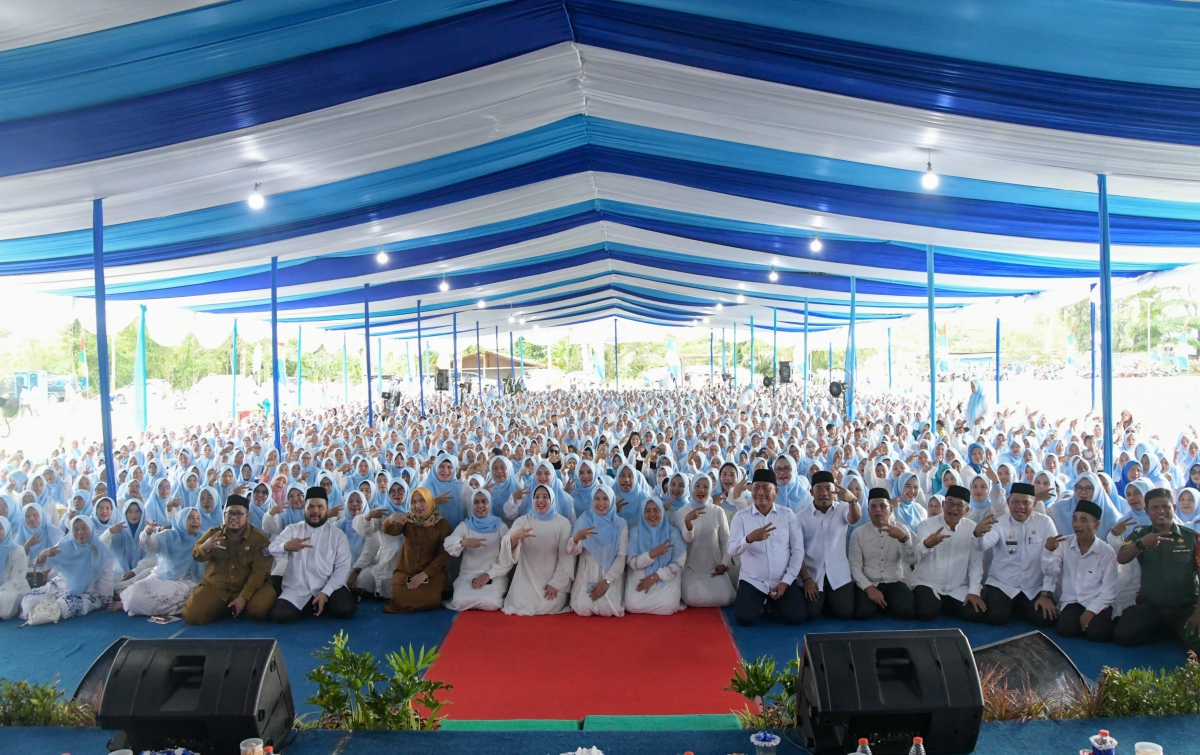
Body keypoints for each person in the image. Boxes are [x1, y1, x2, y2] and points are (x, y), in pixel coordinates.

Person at [1113, 488, 1200, 654]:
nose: (1161, 511)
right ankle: (1171, 632)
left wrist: (1199, 613)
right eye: (1155, 507)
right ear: (1147, 511)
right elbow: (1122, 558)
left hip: (1186, 608)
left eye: (1165, 507)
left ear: (1174, 508)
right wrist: (1142, 544)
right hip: (1153, 607)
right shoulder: (1140, 534)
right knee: (1123, 635)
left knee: (1197, 646)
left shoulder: (1192, 538)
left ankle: (1177, 630)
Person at [972, 482, 1058, 627]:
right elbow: (983, 546)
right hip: (1003, 584)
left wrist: (1046, 594)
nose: (1020, 507)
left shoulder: (1045, 522)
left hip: (1033, 587)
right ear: (1008, 502)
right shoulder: (1000, 522)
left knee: (1046, 619)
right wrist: (979, 534)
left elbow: (1055, 560)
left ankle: (1020, 607)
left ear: (1034, 503)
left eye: (1026, 502)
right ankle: (1015, 607)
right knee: (996, 618)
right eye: (1015, 502)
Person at [182, 495, 276, 625]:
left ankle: (235, 606)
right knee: (192, 616)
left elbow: (259, 573)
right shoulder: (214, 533)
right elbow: (196, 554)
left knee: (259, 609)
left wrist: (243, 598)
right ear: (224, 514)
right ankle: (225, 607)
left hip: (249, 587)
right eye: (230, 513)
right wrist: (206, 547)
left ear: (247, 516)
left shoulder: (259, 539)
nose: (233, 517)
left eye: (239, 514)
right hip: (218, 588)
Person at [728, 469, 806, 626]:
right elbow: (731, 550)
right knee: (744, 619)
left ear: (775, 491)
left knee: (797, 617)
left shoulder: (788, 515)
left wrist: (786, 581)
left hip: (781, 579)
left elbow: (798, 552)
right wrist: (749, 539)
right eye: (756, 487)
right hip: (753, 580)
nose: (760, 492)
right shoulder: (741, 517)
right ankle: (765, 600)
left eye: (766, 488)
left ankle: (771, 601)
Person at [267, 487, 356, 623]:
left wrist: (325, 592)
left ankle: (318, 602)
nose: (315, 511)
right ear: (305, 509)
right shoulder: (293, 529)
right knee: (281, 615)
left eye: (320, 507)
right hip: (297, 587)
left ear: (327, 510)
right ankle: (313, 604)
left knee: (345, 609)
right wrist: (286, 546)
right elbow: (272, 548)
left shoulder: (337, 535)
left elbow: (342, 568)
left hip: (327, 585)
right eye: (311, 507)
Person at [1040, 499, 1119, 642]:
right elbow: (1051, 572)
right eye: (1075, 519)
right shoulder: (1063, 544)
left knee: (1097, 633)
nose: (1077, 524)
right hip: (1072, 601)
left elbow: (1109, 590)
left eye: (1083, 520)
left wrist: (1091, 611)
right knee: (1064, 629)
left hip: (1097, 600)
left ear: (1096, 525)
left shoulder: (1106, 552)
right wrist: (1048, 553)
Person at [911, 485, 987, 621]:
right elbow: (920, 552)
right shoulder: (927, 525)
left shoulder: (972, 529)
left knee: (975, 613)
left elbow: (976, 563)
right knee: (926, 613)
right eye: (950, 503)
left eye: (959, 505)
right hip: (929, 583)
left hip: (957, 587)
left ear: (967, 510)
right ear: (943, 504)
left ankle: (943, 603)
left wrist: (974, 591)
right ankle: (937, 603)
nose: (953, 508)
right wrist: (928, 543)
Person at [21, 516, 114, 622]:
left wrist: (107, 599)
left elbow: (106, 578)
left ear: (91, 528)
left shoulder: (101, 551)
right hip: (59, 586)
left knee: (64, 605)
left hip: (86, 592)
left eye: (84, 528)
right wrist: (44, 554)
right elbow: (42, 566)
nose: (80, 532)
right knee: (28, 600)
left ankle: (43, 614)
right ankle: (38, 613)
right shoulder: (65, 544)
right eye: (76, 529)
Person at [501, 484, 575, 615]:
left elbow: (567, 556)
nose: (540, 500)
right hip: (526, 578)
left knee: (551, 602)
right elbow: (507, 542)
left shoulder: (563, 523)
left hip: (551, 581)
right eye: (537, 497)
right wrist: (515, 538)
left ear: (552, 500)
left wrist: (557, 583)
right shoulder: (523, 521)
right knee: (519, 603)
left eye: (545, 497)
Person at [797, 471, 862, 621]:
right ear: (811, 492)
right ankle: (822, 600)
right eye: (819, 488)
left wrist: (852, 500)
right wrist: (806, 579)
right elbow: (797, 551)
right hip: (813, 574)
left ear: (835, 491)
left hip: (838, 575)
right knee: (810, 614)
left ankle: (829, 599)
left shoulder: (843, 509)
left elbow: (855, 518)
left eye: (828, 488)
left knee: (845, 613)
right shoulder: (801, 517)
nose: (824, 493)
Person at [116, 507, 204, 617]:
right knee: (136, 590)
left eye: (198, 518)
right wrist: (148, 533)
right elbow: (151, 546)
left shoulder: (203, 537)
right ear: (181, 520)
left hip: (188, 580)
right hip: (164, 575)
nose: (195, 521)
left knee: (184, 596)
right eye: (190, 518)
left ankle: (130, 604)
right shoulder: (169, 535)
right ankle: (127, 602)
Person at [849, 487, 916, 620]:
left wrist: (903, 539)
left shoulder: (901, 530)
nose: (878, 510)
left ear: (890, 509)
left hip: (894, 580)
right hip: (870, 581)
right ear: (868, 511)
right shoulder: (858, 533)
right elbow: (855, 567)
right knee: (862, 613)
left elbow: (911, 560)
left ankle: (885, 603)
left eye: (882, 506)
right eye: (873, 506)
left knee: (907, 611)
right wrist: (869, 588)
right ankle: (881, 603)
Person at [381, 487, 450, 613]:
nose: (417, 506)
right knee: (399, 600)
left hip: (432, 573)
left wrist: (425, 574)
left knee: (433, 600)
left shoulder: (442, 524)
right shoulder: (407, 519)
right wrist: (391, 519)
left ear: (429, 502)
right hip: (406, 570)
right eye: (413, 502)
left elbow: (443, 554)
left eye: (422, 501)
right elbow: (389, 531)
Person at [444, 489, 510, 611]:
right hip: (469, 574)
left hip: (494, 574)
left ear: (489, 504)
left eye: (484, 502)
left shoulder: (501, 526)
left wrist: (488, 575)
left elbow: (508, 558)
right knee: (460, 602)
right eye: (476, 502)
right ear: (472, 505)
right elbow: (448, 543)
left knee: (491, 603)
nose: (480, 506)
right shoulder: (465, 526)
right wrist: (463, 542)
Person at [568, 485, 628, 616]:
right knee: (583, 608)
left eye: (605, 498)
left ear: (612, 500)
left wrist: (607, 581)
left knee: (608, 609)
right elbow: (572, 551)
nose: (601, 503)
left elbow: (621, 556)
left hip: (609, 577)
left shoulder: (620, 524)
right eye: (597, 498)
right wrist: (577, 538)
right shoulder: (584, 519)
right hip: (586, 574)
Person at [678, 473, 735, 607]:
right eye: (697, 486)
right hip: (690, 568)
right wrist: (688, 521)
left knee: (727, 598)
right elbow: (686, 538)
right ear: (691, 488)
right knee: (691, 599)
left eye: (705, 487)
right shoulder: (682, 512)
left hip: (713, 567)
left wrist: (725, 563)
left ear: (710, 490)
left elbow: (726, 540)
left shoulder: (717, 511)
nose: (701, 490)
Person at [625, 497, 687, 615]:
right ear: (642, 513)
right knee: (632, 605)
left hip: (665, 579)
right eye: (647, 511)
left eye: (656, 510)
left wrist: (655, 576)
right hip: (641, 575)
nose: (652, 514)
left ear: (662, 512)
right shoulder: (635, 532)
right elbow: (632, 562)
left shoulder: (672, 533)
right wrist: (652, 554)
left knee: (669, 606)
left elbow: (679, 562)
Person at [0, 519, 30, 619]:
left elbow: (17, 579)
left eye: (0, 528)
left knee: (8, 598)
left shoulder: (17, 550)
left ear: (7, 530)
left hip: (14, 588)